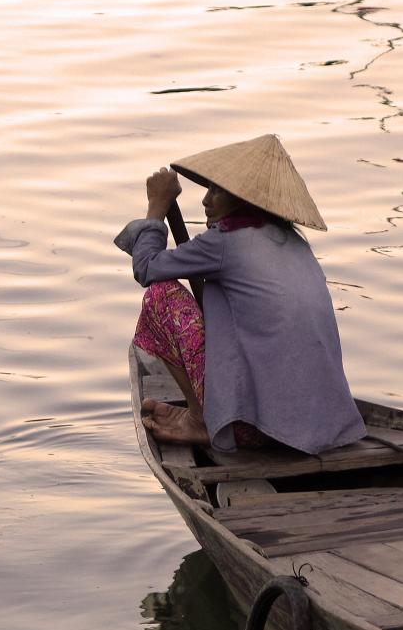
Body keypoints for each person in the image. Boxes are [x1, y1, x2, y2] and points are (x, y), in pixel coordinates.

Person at [114, 134, 366, 454]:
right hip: (322, 422)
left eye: (216, 191)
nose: (206, 200)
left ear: (243, 200)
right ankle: (211, 409)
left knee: (160, 297)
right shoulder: (294, 242)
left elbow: (146, 268)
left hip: (255, 428)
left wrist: (157, 206)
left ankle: (201, 420)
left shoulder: (226, 242)